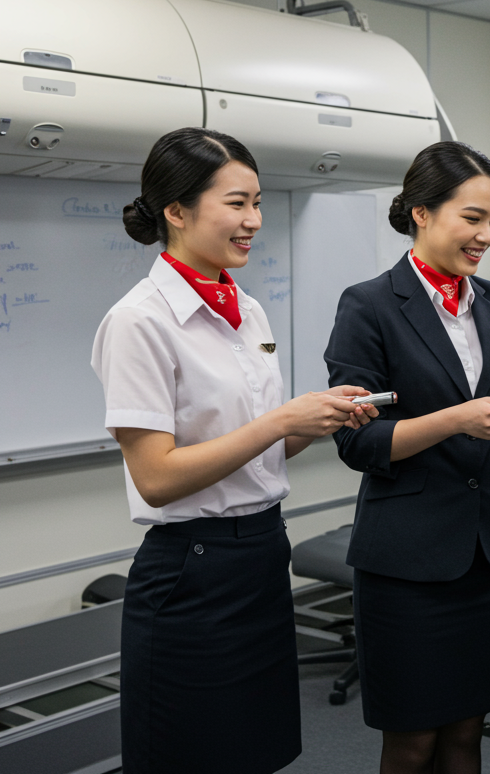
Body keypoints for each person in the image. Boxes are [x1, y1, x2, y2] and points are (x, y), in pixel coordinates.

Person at [91, 127, 375, 774]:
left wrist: (316, 423)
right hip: (191, 571)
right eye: (237, 204)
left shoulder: (245, 308)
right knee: (191, 757)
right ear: (177, 211)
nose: (253, 221)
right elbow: (157, 478)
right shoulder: (139, 321)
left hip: (260, 555)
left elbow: (251, 451)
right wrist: (279, 422)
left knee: (255, 752)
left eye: (258, 203)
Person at [324, 141, 490, 774]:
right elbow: (358, 441)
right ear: (421, 213)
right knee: (411, 741)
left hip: (489, 553)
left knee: (467, 731)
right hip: (408, 559)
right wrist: (455, 420)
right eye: (472, 218)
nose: (486, 235)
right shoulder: (369, 305)